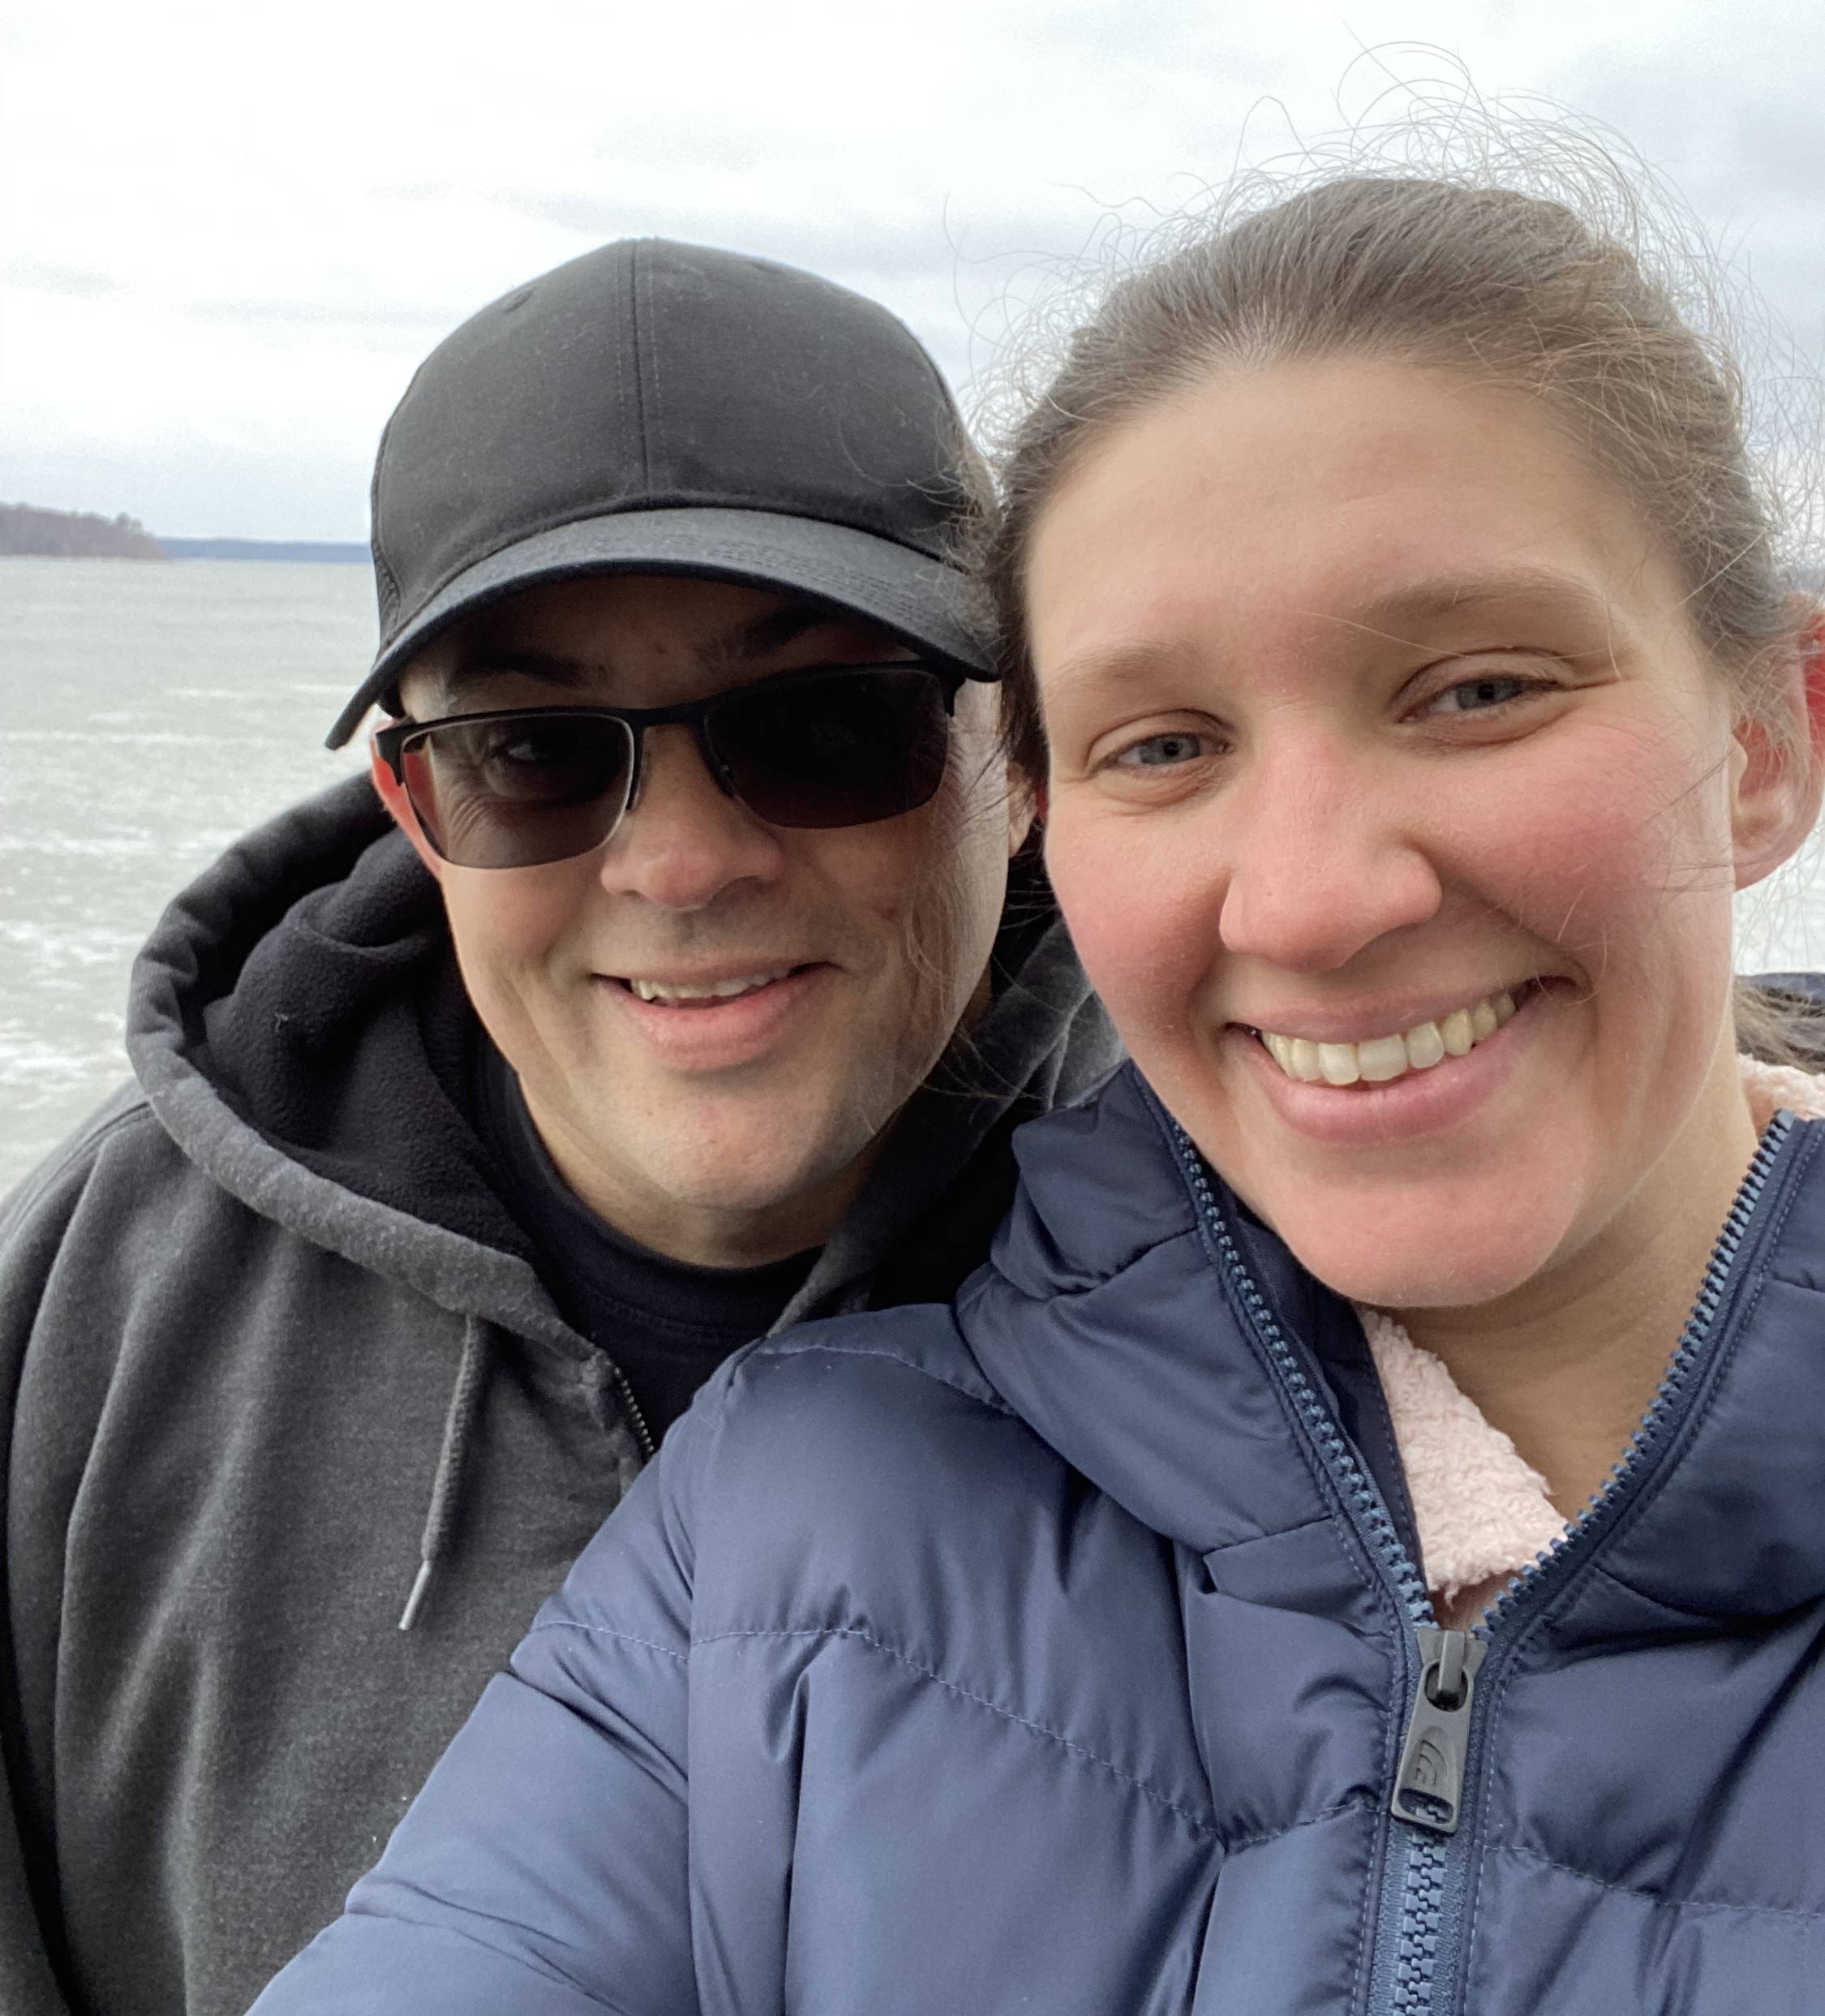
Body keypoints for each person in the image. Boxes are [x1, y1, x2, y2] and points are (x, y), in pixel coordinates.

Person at [254, 165, 1825, 2015]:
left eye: (1477, 690)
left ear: (1768, 741)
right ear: (1058, 820)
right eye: (1165, 741)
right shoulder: (782, 1527)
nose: (1314, 899)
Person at [0, 238, 1117, 2016]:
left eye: (825, 725)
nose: (679, 866)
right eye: (535, 752)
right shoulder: (93, 1320)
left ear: (1020, 754)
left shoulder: (1272, 1260)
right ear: (411, 801)